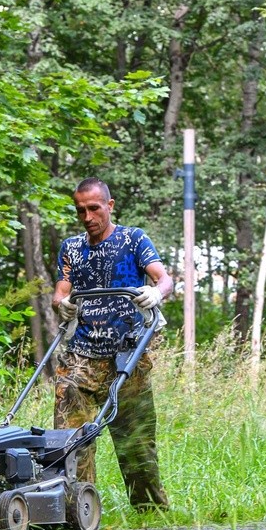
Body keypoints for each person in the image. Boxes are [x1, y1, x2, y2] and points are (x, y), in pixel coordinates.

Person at [51, 177, 174, 510]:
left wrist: (154, 292)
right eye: (81, 211)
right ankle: (78, 508)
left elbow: (164, 278)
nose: (88, 217)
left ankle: (150, 511)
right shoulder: (71, 248)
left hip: (128, 354)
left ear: (109, 205)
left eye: (94, 208)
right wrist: (62, 304)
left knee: (135, 441)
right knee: (71, 438)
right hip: (81, 356)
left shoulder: (134, 239)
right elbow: (61, 290)